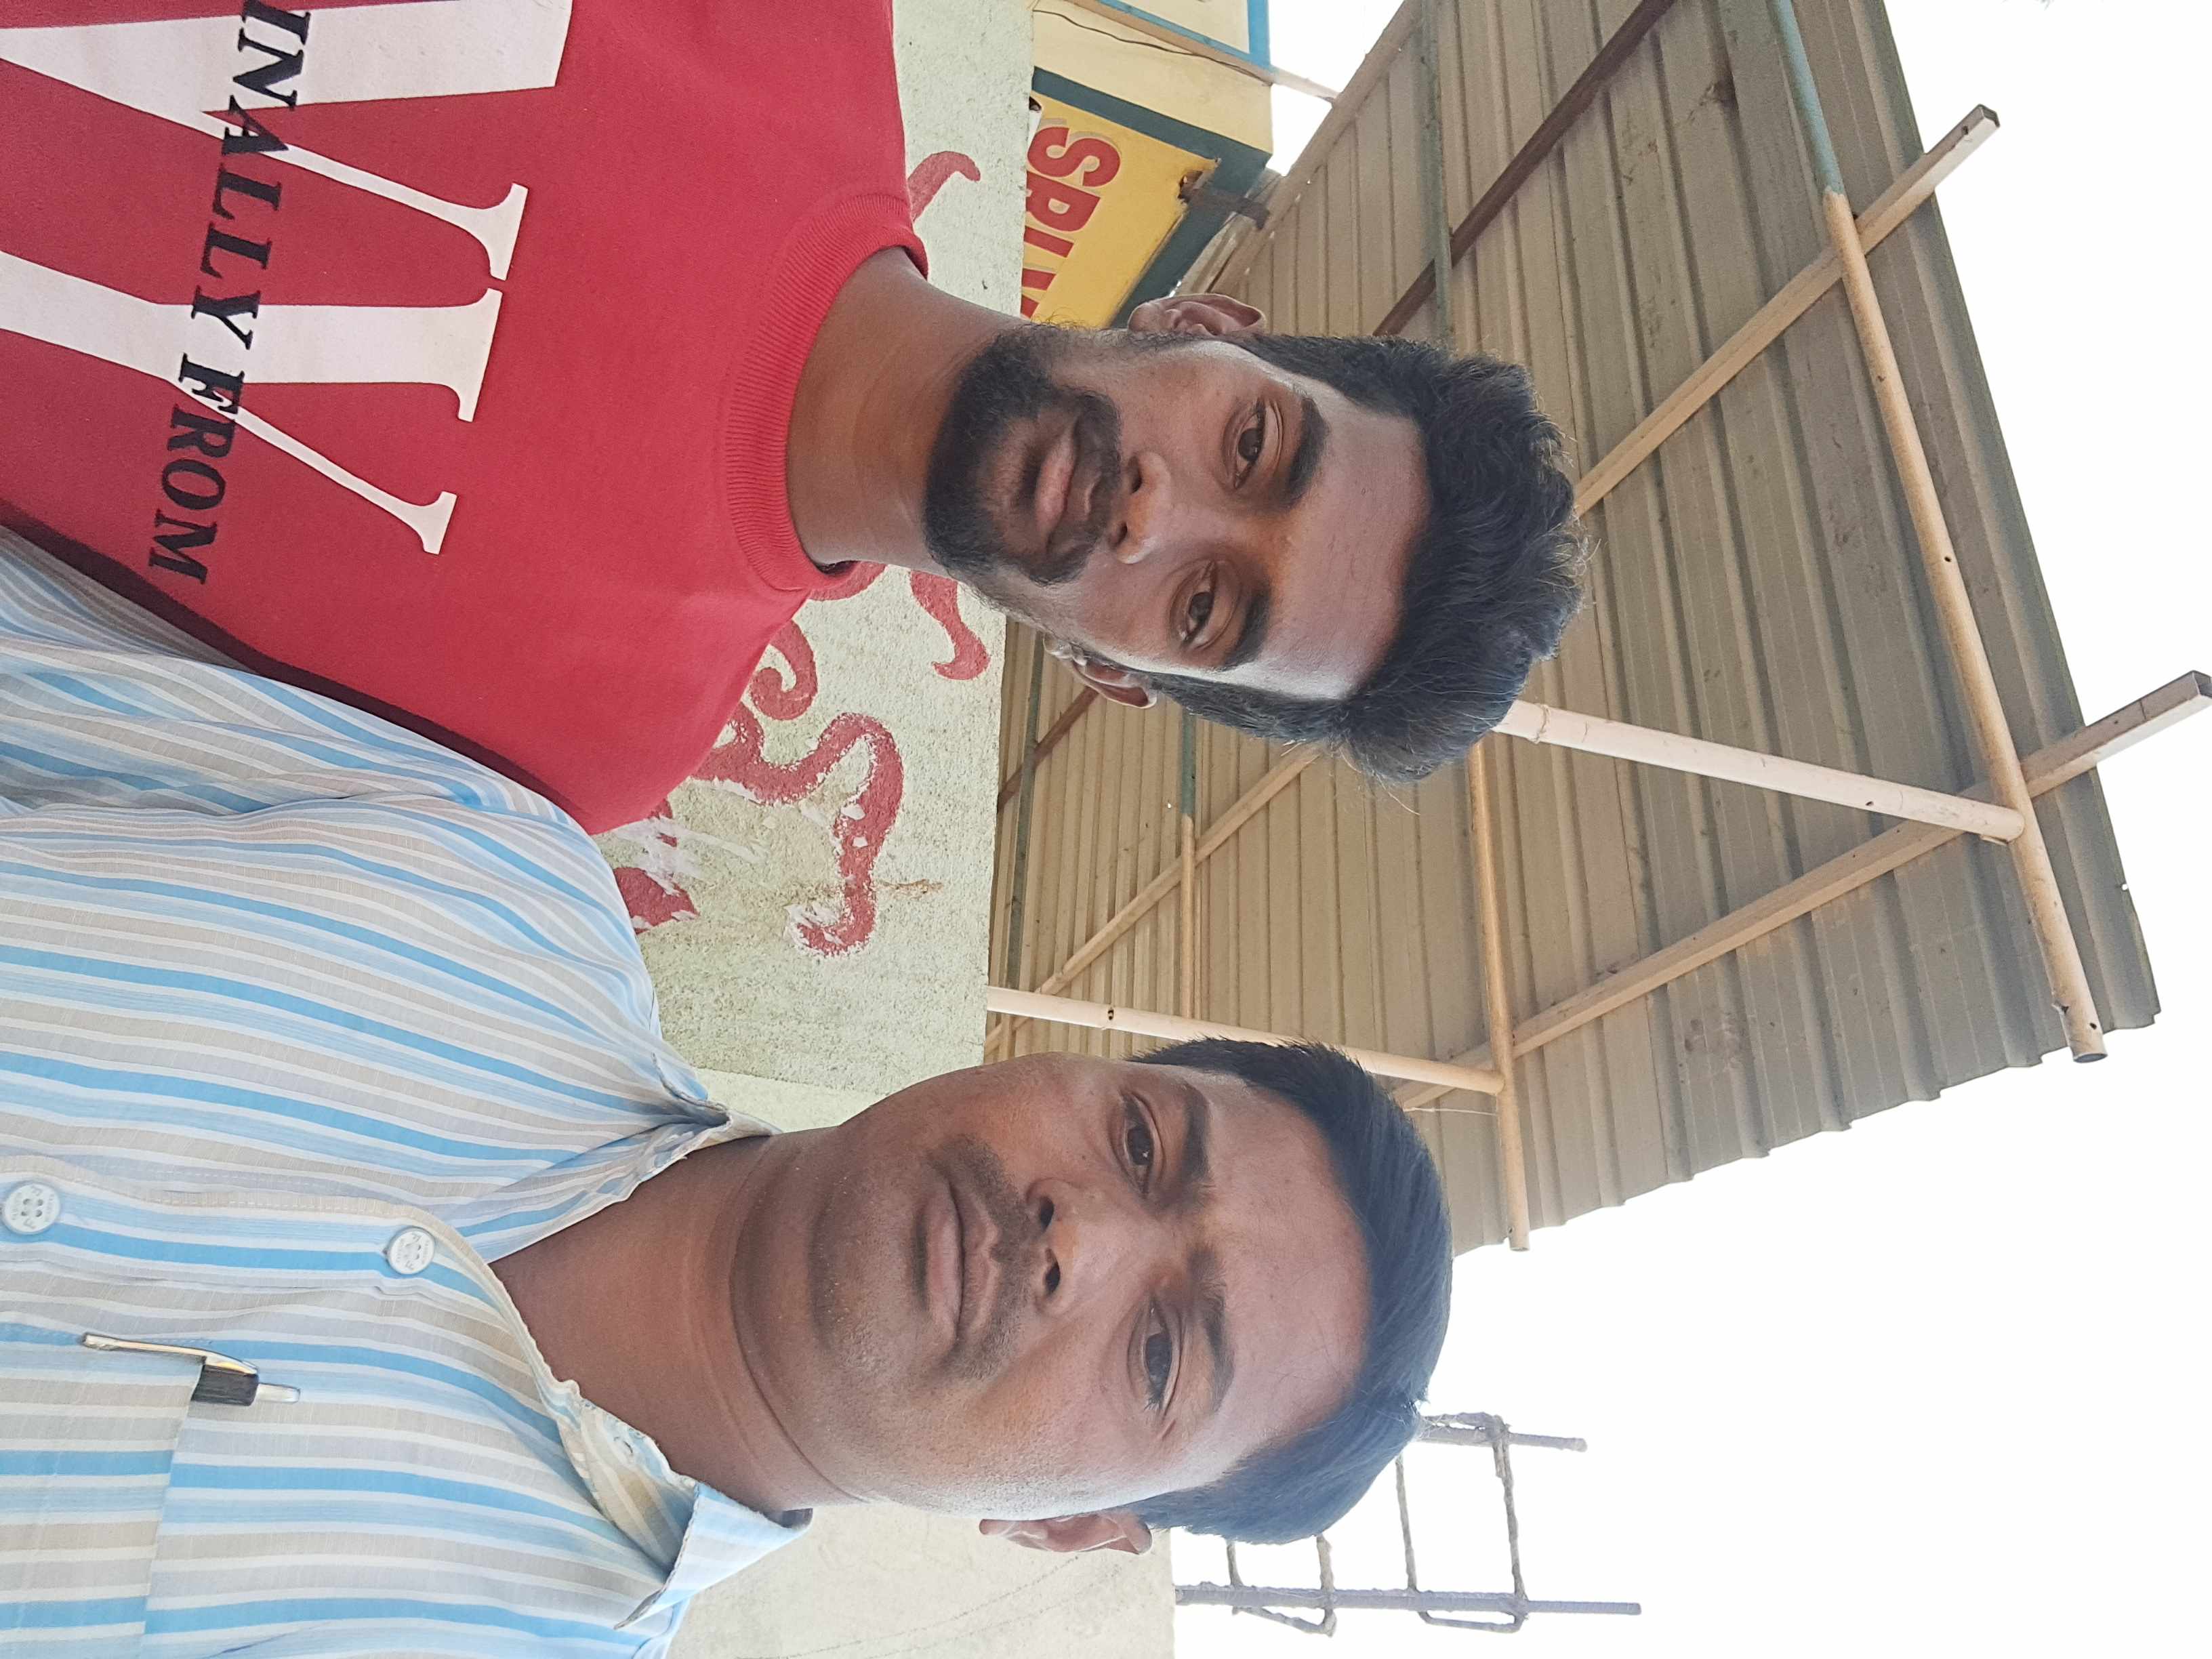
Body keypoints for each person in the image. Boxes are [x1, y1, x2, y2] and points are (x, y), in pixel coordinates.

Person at [0, 533, 1454, 1654]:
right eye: (1140, 1140)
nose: (1080, 1236)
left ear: (1072, 1527)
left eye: (1160, 1353)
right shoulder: (491, 877)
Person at [0, 0, 1584, 835]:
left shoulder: (574, 757)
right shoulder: (791, 22)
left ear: (1118, 673)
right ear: (1204, 325)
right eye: (1253, 448)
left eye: (1208, 606)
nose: (1156, 515)